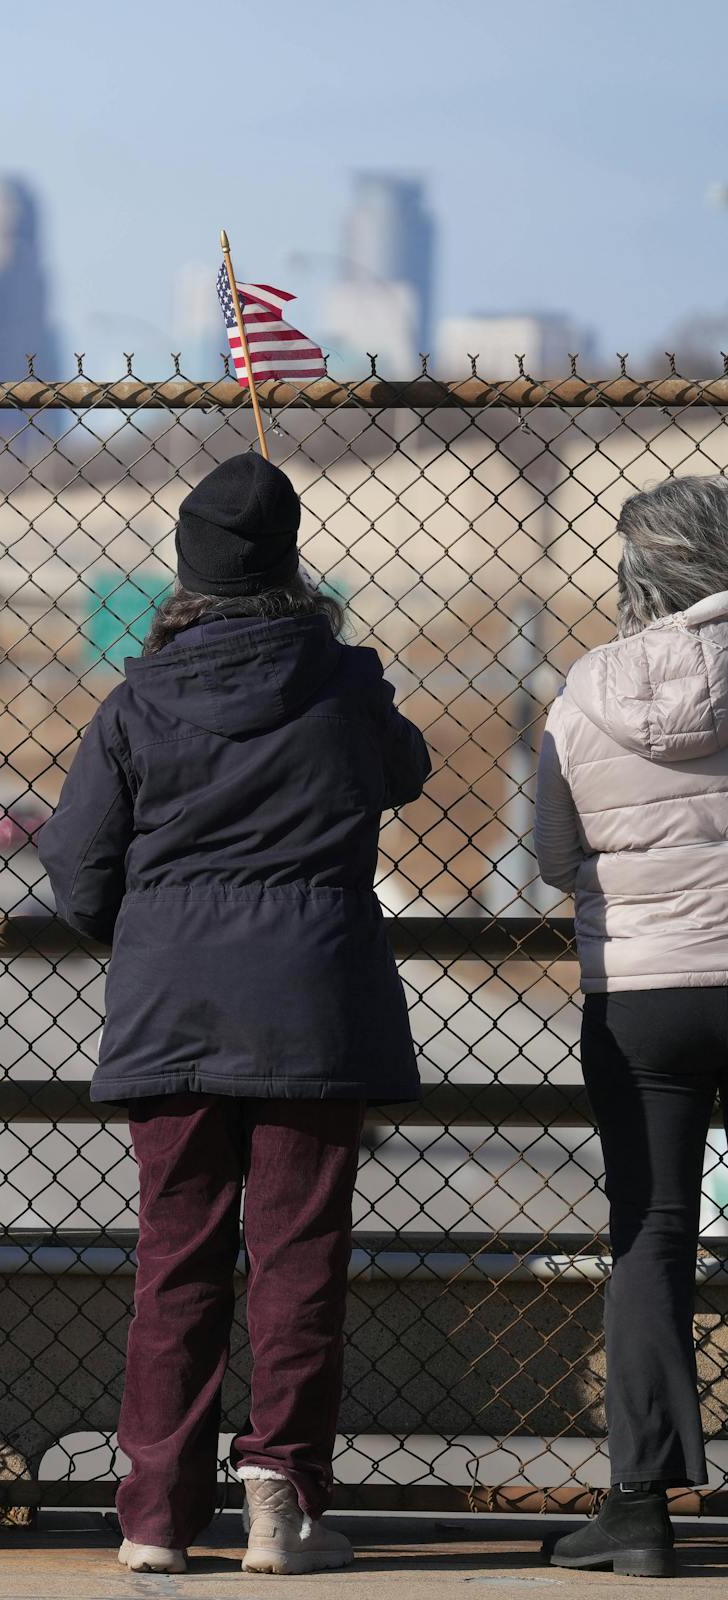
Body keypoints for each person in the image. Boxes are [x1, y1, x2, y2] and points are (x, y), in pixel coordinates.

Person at [37, 452, 430, 1576]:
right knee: (298, 1254)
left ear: (185, 572)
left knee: (178, 1256)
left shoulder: (137, 699)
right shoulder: (344, 682)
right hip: (314, 1004)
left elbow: (76, 873)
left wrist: (155, 929)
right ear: (291, 564)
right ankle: (282, 1499)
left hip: (171, 1007)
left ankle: (155, 1513)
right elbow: (404, 769)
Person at [535, 474, 728, 1580]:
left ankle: (640, 1507)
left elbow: (557, 857)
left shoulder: (586, 687)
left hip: (644, 990)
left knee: (651, 1232)